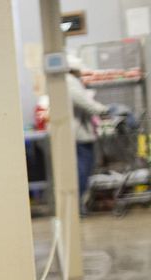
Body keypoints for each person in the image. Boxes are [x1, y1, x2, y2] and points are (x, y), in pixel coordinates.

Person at [67, 55, 108, 203]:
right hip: (79, 134)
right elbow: (85, 103)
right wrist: (104, 110)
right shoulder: (70, 82)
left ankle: (79, 203)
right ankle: (78, 204)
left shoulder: (71, 82)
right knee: (83, 169)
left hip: (80, 132)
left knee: (84, 168)